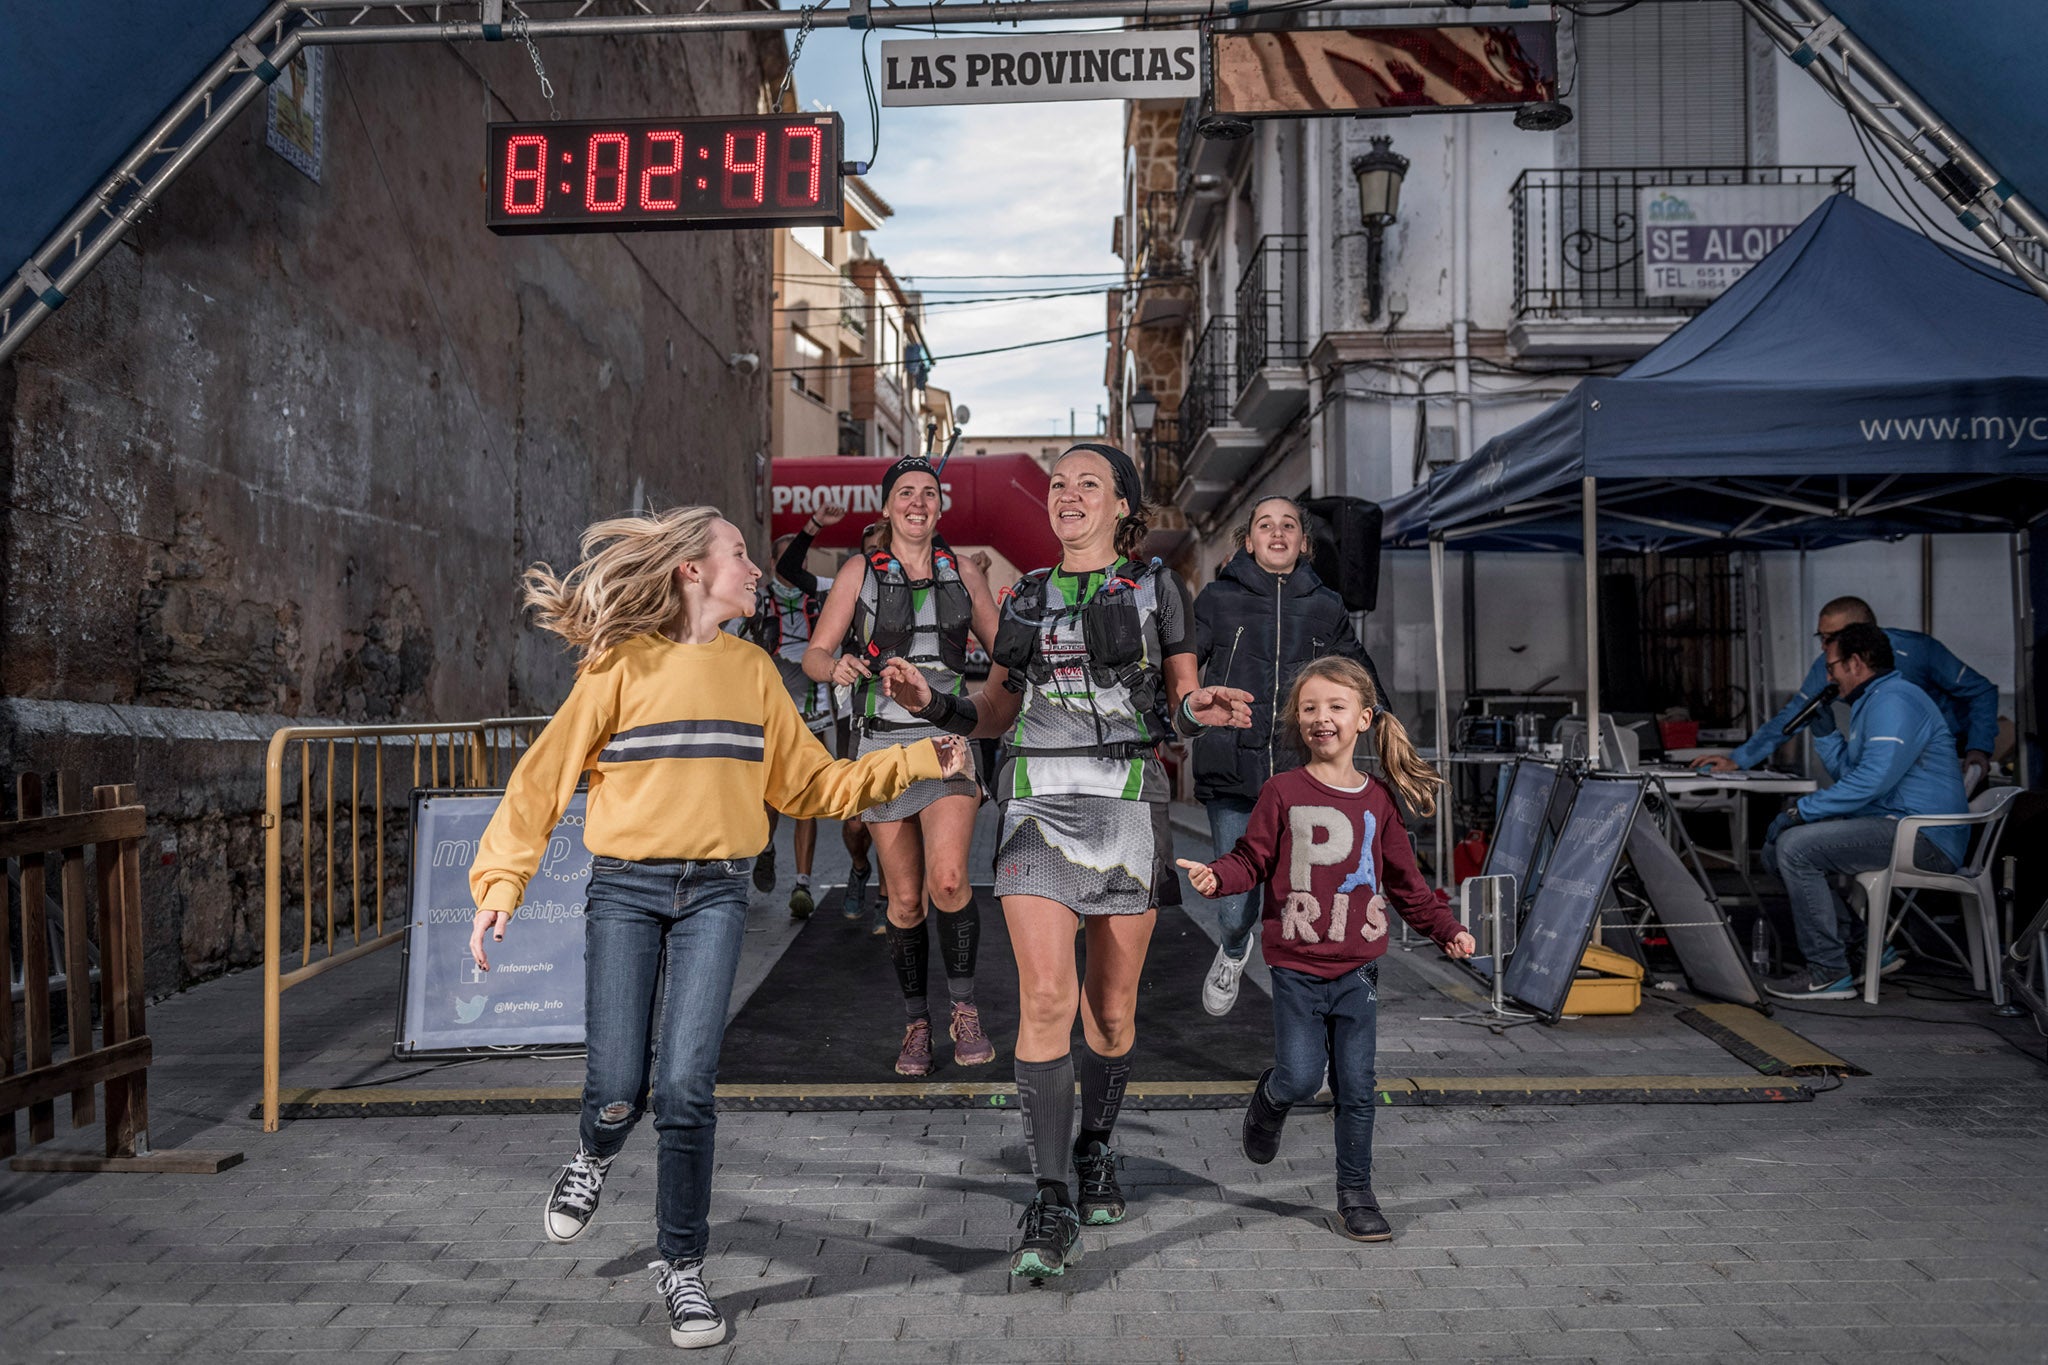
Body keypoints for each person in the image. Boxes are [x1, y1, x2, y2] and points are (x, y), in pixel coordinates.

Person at [465, 507, 970, 1349]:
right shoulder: (619, 666)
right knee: (621, 1084)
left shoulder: (756, 673)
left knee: (687, 1089)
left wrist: (923, 755)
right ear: (691, 570)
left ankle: (684, 1267)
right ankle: (593, 1152)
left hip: (717, 894)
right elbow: (542, 779)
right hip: (625, 889)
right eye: (740, 554)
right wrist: (499, 885)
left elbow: (811, 786)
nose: (756, 570)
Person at [894, 442, 1253, 1281]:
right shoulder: (1023, 593)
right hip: (1034, 809)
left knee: (1113, 1015)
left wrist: (1199, 708)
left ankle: (1094, 1145)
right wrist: (932, 703)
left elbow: (1179, 702)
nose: (1067, 495)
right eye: (1058, 484)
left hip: (1127, 804)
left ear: (1124, 506)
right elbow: (992, 709)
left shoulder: (1159, 588)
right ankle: (1051, 1194)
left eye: (1088, 484)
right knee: (1045, 997)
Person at [1180, 656, 1474, 1243]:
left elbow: (1406, 884)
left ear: (1363, 719)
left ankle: (1356, 1195)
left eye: (1336, 707)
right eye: (1310, 708)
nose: (1322, 718)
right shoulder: (1281, 790)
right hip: (1295, 968)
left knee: (1358, 1089)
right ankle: (1270, 1100)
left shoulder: (1379, 801)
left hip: (1359, 971)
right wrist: (1218, 876)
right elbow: (1251, 858)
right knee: (1299, 1078)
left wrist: (1446, 929)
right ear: (1298, 721)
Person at [804, 458, 1003, 1077]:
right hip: (883, 750)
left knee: (949, 882)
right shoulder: (859, 570)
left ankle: (964, 1010)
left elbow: (1006, 657)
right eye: (906, 494)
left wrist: (983, 709)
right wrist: (833, 667)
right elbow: (815, 652)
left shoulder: (964, 572)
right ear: (887, 507)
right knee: (908, 899)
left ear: (939, 507)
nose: (918, 502)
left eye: (929, 493)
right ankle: (916, 1023)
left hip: (946, 741)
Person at [1192, 495, 1389, 1018]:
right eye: (1264, 525)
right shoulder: (1216, 599)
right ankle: (1234, 948)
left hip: (1305, 781)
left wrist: (1388, 731)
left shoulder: (1326, 606)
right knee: (1235, 910)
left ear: (1304, 543)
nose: (1276, 533)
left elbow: (1358, 671)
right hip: (1234, 776)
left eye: (1288, 526)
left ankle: (1308, 1029)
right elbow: (1183, 670)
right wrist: (1180, 711)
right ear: (1248, 540)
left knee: (1302, 914)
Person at [1758, 622, 1967, 1001]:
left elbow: (1871, 782)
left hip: (1924, 837)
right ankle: (1864, 949)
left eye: (1832, 666)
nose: (1829, 676)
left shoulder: (1896, 700)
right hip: (1893, 825)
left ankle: (1827, 971)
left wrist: (1801, 811)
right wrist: (1826, 735)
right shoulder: (1873, 702)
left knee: (1794, 847)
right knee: (1777, 850)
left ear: (1855, 663)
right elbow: (1854, 776)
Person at [1699, 595, 1997, 784]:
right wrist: (1739, 759)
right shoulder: (1826, 665)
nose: (1824, 647)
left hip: (1954, 756)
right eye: (1822, 637)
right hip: (1895, 763)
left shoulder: (1919, 650)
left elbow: (1981, 692)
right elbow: (1794, 714)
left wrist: (1978, 748)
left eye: (1832, 637)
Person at [738, 529, 862, 919]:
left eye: (802, 562)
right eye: (789, 560)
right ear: (775, 563)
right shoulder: (756, 602)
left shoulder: (822, 596)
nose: (798, 568)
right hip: (773, 708)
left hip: (816, 707)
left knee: (804, 794)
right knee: (772, 796)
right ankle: (766, 848)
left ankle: (803, 885)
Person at [770, 507, 884, 921]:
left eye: (884, 551)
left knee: (897, 811)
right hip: (853, 707)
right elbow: (787, 568)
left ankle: (893, 899)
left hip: (906, 708)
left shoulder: (921, 587)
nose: (877, 559)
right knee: (855, 821)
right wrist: (814, 526)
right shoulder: (842, 587)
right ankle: (858, 868)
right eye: (869, 553)